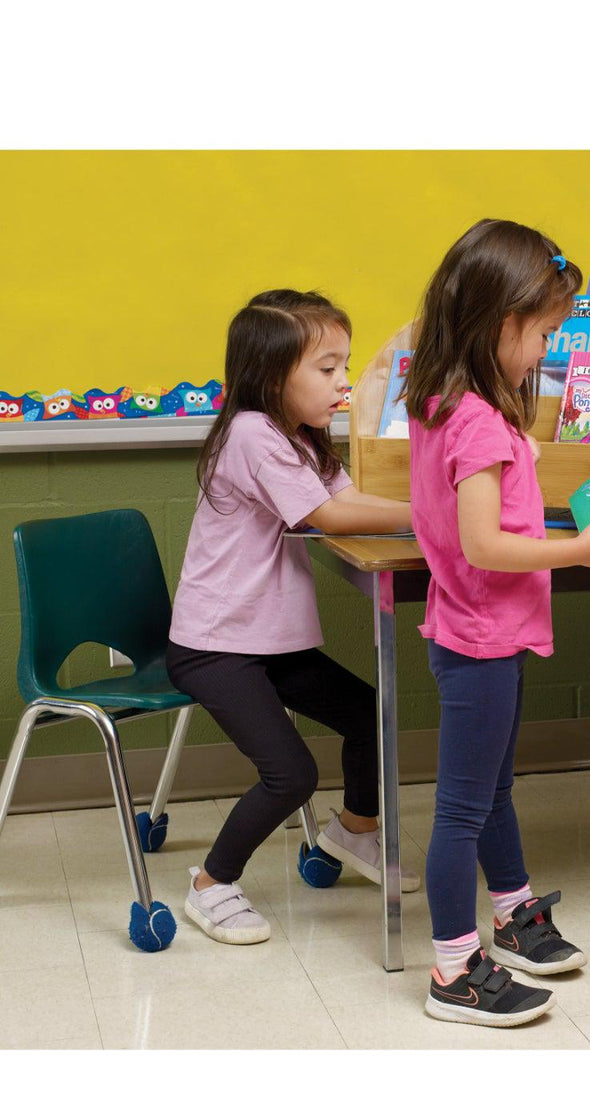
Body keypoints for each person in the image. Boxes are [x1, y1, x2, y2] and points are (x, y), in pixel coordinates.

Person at [405, 219, 590, 1027]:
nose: (547, 351)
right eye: (544, 334)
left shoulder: (442, 401)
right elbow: (483, 541)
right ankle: (453, 974)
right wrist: (582, 551)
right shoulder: (476, 422)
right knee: (463, 808)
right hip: (481, 635)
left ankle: (514, 912)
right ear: (502, 324)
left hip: (480, 631)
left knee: (492, 790)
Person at [167, 289, 414, 945]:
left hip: (270, 644)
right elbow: (330, 516)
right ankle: (211, 883)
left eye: (346, 366)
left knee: (370, 714)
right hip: (216, 647)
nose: (343, 383)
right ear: (275, 376)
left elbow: (350, 498)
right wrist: (437, 512)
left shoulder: (300, 439)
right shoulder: (251, 434)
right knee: (291, 773)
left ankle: (354, 835)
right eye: (328, 369)